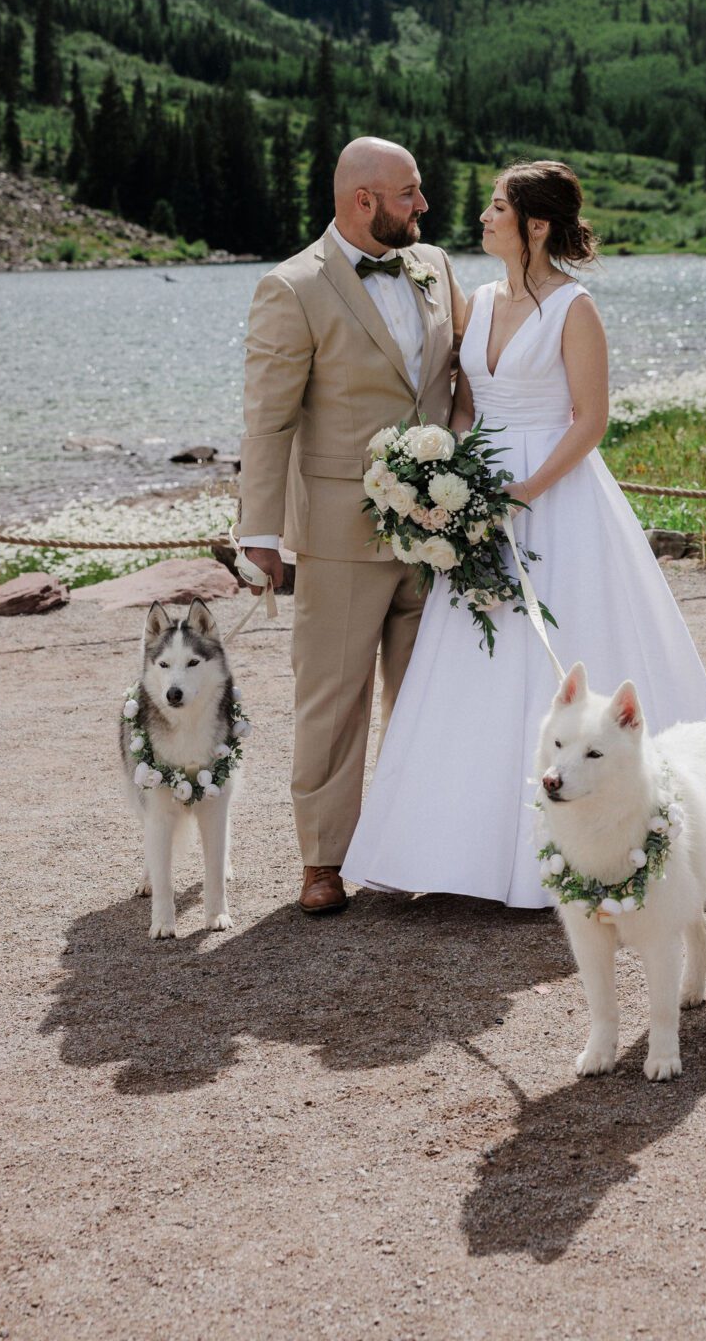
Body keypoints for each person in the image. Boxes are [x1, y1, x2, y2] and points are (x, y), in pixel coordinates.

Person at [344, 159, 706, 907]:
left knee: (572, 646)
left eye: (497, 208)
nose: (483, 217)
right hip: (483, 500)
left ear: (536, 226)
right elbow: (464, 407)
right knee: (473, 668)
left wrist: (523, 491)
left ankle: (610, 846)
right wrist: (446, 485)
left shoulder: (574, 309)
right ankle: (462, 857)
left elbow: (590, 423)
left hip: (560, 501)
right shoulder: (479, 302)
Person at [239, 137, 465, 914]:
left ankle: (422, 846)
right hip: (339, 533)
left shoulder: (436, 266)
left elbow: (459, 378)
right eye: (410, 193)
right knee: (333, 699)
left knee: (428, 694)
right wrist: (258, 535)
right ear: (363, 200)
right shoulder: (291, 287)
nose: (424, 206)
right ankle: (323, 863)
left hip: (438, 526)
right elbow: (267, 422)